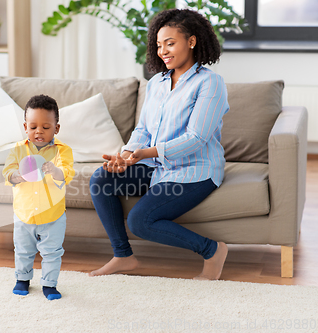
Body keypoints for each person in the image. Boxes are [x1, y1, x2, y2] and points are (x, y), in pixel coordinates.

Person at [89, 8, 230, 280]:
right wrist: (128, 155)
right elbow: (143, 128)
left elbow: (197, 138)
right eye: (158, 45)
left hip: (195, 170)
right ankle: (123, 256)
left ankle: (212, 250)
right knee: (101, 178)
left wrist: (145, 152)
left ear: (191, 41)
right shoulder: (156, 83)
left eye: (170, 43)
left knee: (140, 221)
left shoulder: (210, 83)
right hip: (156, 166)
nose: (163, 50)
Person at [2, 94, 75, 300]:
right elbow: (7, 172)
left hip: (53, 214)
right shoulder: (18, 149)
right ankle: (22, 279)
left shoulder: (63, 151)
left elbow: (66, 174)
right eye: (33, 127)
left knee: (52, 252)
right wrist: (17, 175)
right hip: (24, 213)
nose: (39, 132)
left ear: (56, 128)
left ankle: (49, 284)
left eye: (45, 127)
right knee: (23, 250)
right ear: (25, 127)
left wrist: (54, 170)